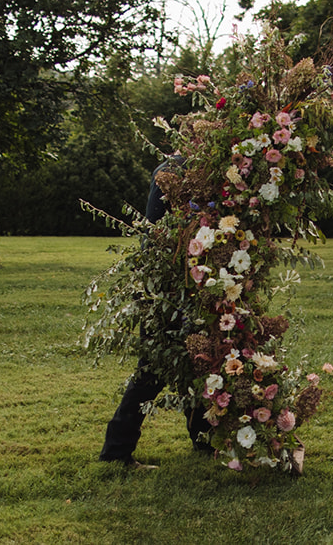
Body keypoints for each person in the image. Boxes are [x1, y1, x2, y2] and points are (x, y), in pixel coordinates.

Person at [97, 157, 211, 469]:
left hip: (192, 283)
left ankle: (203, 436)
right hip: (164, 286)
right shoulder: (171, 172)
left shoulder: (205, 170)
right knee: (153, 368)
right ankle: (116, 451)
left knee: (200, 358)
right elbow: (157, 235)